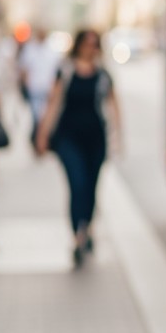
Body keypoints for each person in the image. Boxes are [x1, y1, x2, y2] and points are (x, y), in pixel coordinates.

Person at [35, 29, 121, 265]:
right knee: (77, 183)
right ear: (78, 45)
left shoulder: (103, 74)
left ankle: (87, 226)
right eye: (86, 43)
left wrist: (118, 138)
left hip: (95, 139)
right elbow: (53, 102)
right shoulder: (66, 70)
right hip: (68, 138)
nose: (90, 48)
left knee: (91, 187)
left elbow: (114, 105)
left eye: (94, 44)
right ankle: (77, 235)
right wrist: (42, 134)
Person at [17, 28, 61, 143]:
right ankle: (37, 138)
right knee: (36, 116)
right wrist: (24, 86)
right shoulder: (30, 49)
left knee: (45, 116)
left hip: (48, 89)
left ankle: (41, 138)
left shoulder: (51, 50)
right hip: (34, 88)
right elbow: (24, 70)